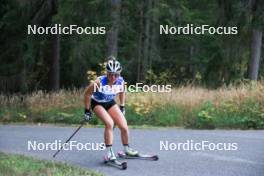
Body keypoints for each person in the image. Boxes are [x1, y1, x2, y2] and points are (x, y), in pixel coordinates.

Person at [83, 56, 138, 161]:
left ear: (119, 74)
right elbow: (87, 94)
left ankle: (127, 149)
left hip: (110, 102)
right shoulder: (99, 82)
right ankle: (109, 153)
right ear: (106, 73)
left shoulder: (120, 81)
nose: (113, 77)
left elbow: (122, 92)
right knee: (110, 123)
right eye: (110, 74)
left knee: (124, 126)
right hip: (97, 103)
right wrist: (87, 110)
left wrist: (122, 105)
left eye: (116, 75)